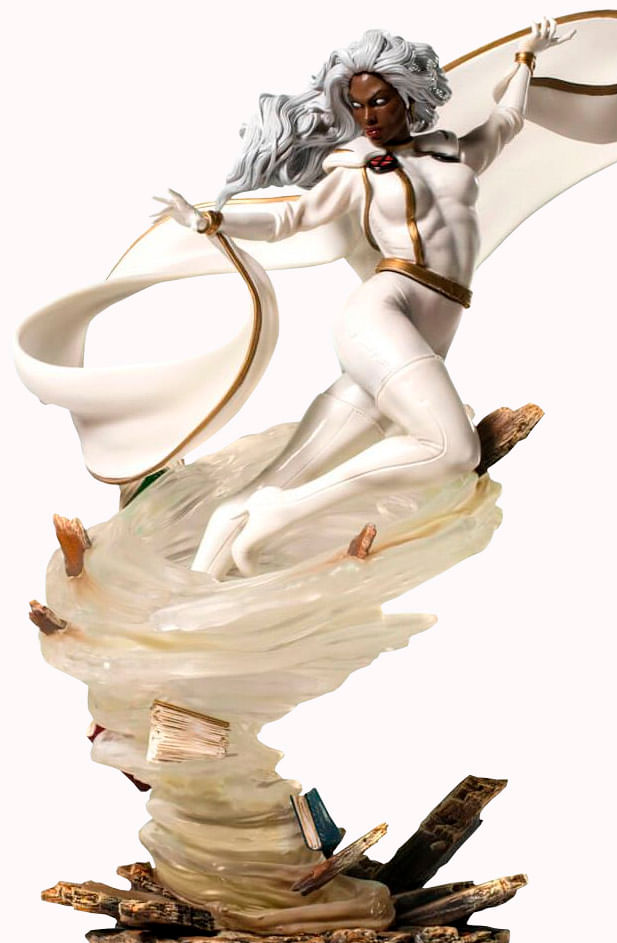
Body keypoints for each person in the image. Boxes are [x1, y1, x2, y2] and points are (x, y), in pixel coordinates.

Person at [155, 18, 573, 578]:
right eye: (357, 106)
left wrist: (526, 57)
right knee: (454, 451)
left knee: (280, 475)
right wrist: (212, 219)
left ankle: (198, 587)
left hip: (425, 330)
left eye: (379, 101)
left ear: (408, 97)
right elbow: (292, 217)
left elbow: (508, 119)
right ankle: (286, 512)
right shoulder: (361, 169)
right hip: (383, 314)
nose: (367, 116)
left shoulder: (453, 153)